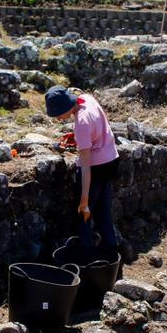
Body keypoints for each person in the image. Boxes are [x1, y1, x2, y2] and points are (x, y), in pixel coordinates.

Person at [44, 85, 120, 255]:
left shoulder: (81, 124)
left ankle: (86, 257)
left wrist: (84, 200)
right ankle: (114, 257)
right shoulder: (87, 99)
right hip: (111, 161)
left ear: (64, 108)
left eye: (57, 115)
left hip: (96, 168)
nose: (58, 119)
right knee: (104, 214)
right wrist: (81, 140)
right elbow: (98, 128)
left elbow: (86, 167)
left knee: (84, 216)